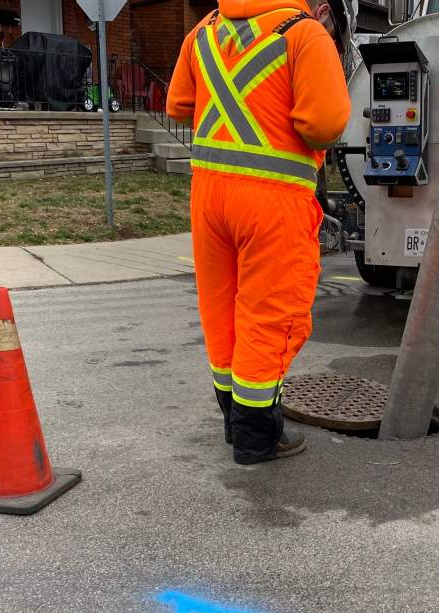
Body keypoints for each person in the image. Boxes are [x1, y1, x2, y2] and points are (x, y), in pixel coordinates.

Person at [167, 0, 354, 464]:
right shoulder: (304, 33)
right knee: (271, 315)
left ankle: (233, 421)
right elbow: (324, 125)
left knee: (221, 309)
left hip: (209, 195)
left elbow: (178, 105)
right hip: (273, 200)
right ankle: (256, 437)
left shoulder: (205, 30)